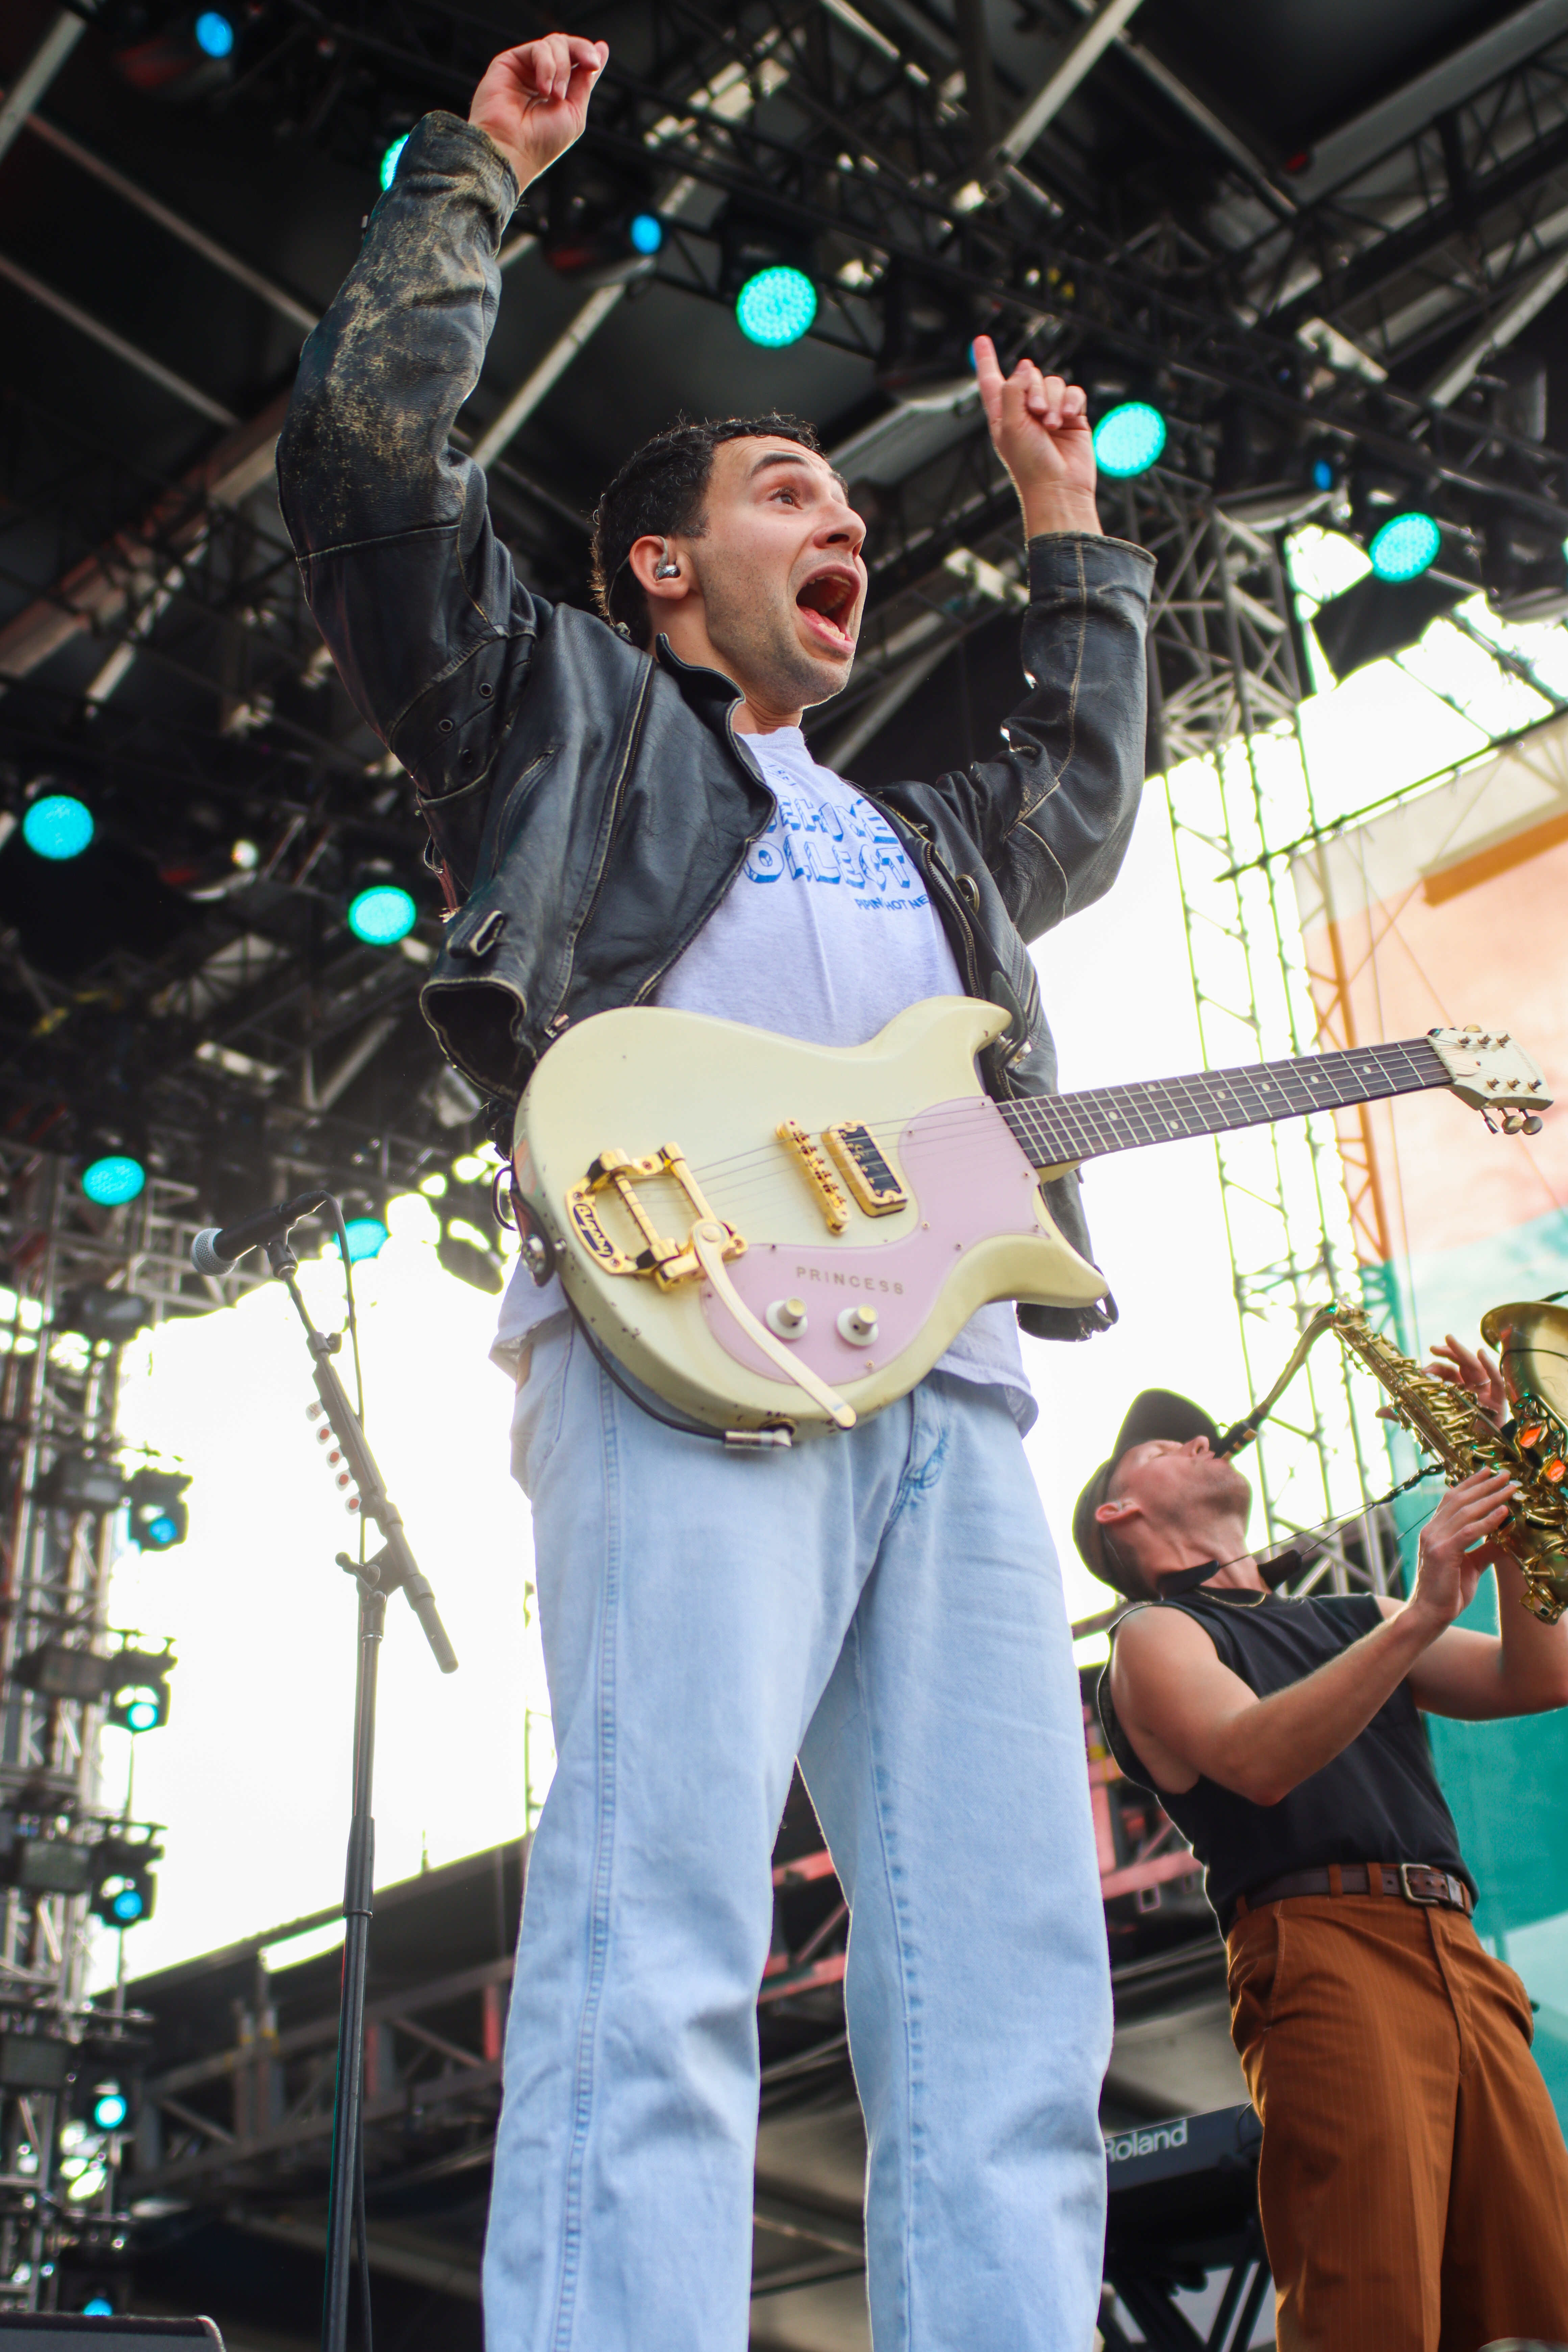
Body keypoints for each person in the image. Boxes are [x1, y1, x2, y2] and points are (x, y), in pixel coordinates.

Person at [278, 30, 1155, 2349]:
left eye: (843, 504)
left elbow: (1076, 780)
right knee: (660, 1922)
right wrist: (477, 173)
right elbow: (367, 469)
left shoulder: (930, 838)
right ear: (668, 567)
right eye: (789, 491)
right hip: (681, 1353)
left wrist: (1068, 529)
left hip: (955, 1408)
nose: (838, 518)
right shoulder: (552, 705)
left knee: (1008, 1985)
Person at [1074, 1341, 1568, 2352]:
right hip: (1323, 1946)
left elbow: (1540, 1675)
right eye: (1164, 1446)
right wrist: (1426, 1610)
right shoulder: (1151, 1635)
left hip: (1458, 1953)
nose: (1201, 1436)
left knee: (1545, 2294)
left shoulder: (1352, 1615)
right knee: (1368, 2305)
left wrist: (1513, 1496)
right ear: (1115, 1515)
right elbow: (1256, 1761)